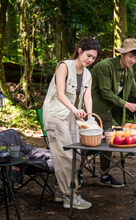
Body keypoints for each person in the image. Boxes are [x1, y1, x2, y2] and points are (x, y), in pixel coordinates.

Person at [91, 38, 136, 187]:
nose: (133, 60)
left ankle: (105, 176)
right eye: (131, 56)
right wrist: (126, 104)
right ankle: (75, 173)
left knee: (109, 142)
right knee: (90, 143)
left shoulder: (129, 71)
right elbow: (105, 92)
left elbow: (134, 91)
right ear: (122, 54)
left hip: (110, 111)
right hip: (95, 110)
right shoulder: (105, 66)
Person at [42, 37, 101, 210]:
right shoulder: (64, 66)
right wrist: (75, 110)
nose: (89, 60)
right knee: (65, 155)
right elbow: (60, 94)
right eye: (88, 55)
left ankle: (62, 192)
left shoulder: (88, 74)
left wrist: (89, 117)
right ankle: (70, 195)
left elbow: (87, 97)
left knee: (76, 154)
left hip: (72, 116)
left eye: (93, 58)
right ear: (80, 50)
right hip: (56, 115)